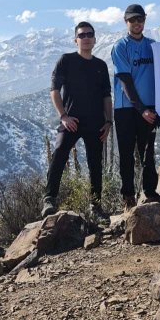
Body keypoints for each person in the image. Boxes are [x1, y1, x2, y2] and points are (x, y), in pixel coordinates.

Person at [42, 22, 113, 219]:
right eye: (82, 35)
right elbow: (54, 90)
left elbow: (106, 96)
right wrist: (63, 116)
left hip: (96, 122)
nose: (86, 38)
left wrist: (109, 122)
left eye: (89, 34)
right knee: (59, 153)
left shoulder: (101, 65)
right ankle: (49, 199)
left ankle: (95, 206)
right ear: (76, 40)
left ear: (95, 39)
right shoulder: (66, 60)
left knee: (95, 163)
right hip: (71, 121)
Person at [111, 4, 160, 209]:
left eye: (140, 19)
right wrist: (142, 109)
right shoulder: (120, 46)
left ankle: (150, 192)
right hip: (126, 108)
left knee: (147, 153)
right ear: (126, 22)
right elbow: (125, 80)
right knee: (127, 154)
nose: (136, 23)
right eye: (132, 20)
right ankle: (128, 196)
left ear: (144, 20)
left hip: (149, 106)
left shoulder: (153, 46)